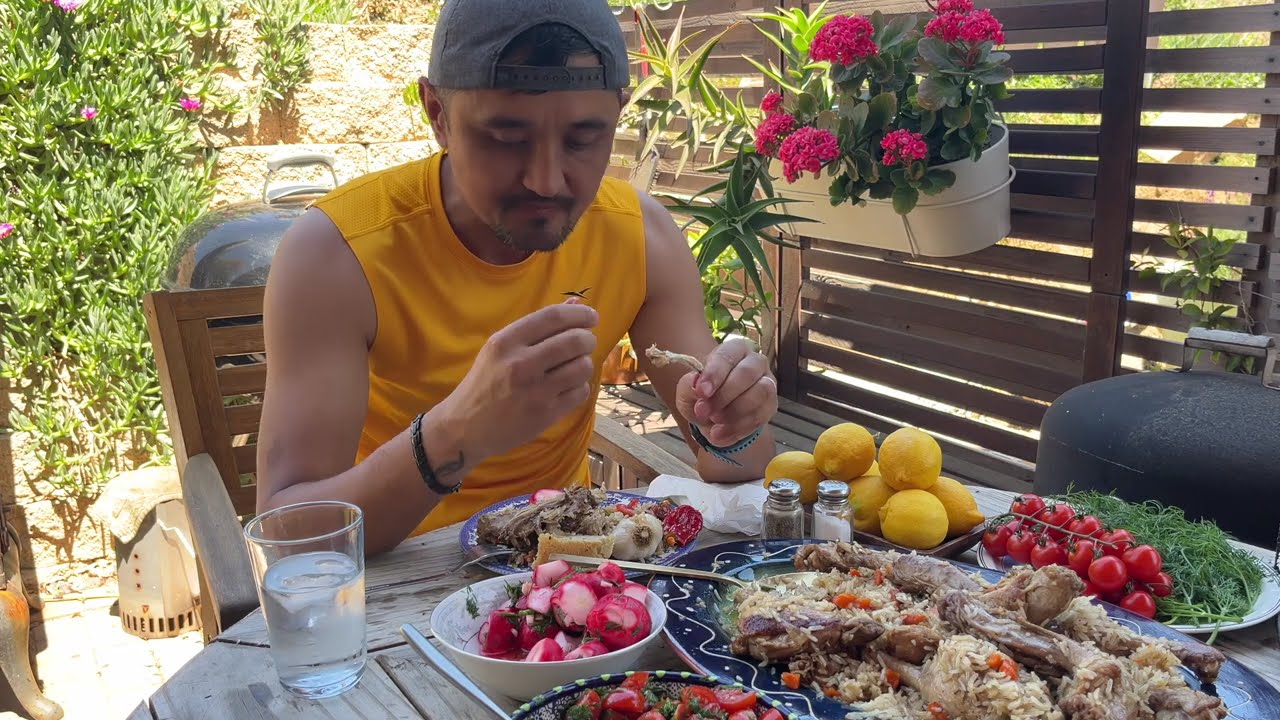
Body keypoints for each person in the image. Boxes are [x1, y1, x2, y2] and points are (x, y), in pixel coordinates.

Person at [255, 0, 778, 555]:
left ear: (617, 116)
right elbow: (290, 533)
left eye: (582, 138)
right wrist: (456, 434)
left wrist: (734, 421)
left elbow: (735, 460)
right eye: (506, 138)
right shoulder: (338, 253)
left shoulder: (640, 237)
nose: (547, 180)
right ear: (437, 114)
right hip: (393, 574)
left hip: (576, 568)